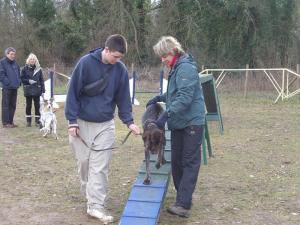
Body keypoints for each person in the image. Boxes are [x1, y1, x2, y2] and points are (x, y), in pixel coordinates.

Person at [65, 34, 140, 224]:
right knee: (84, 163)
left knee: (100, 168)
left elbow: (123, 98)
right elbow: (72, 92)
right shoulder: (85, 63)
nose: (118, 61)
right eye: (115, 56)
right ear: (106, 50)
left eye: (120, 58)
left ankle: (95, 206)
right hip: (81, 123)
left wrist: (129, 122)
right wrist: (72, 121)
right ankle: (89, 193)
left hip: (105, 125)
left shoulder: (121, 70)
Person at [147, 36, 206, 218]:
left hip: (191, 123)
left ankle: (183, 204)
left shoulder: (186, 67)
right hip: (180, 123)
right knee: (177, 163)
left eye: (163, 56)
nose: (162, 60)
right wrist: (160, 98)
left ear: (172, 52)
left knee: (188, 162)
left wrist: (165, 115)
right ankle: (183, 198)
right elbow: (174, 94)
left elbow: (184, 97)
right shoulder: (176, 68)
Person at [21, 53, 45, 127]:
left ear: (36, 60)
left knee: (37, 106)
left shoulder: (39, 69)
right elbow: (22, 78)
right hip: (28, 89)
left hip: (37, 90)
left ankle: (37, 121)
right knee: (28, 106)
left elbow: (41, 80)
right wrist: (28, 81)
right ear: (28, 60)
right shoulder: (24, 69)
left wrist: (43, 90)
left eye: (33, 59)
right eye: (31, 59)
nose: (32, 60)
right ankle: (28, 122)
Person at [0, 47, 21, 128]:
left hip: (14, 87)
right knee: (6, 105)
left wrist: (19, 82)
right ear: (7, 54)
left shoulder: (15, 63)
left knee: (13, 105)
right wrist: (7, 83)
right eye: (11, 54)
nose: (13, 56)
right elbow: (1, 74)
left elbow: (18, 74)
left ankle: (10, 122)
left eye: (14, 54)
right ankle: (5, 123)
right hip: (7, 87)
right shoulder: (2, 62)